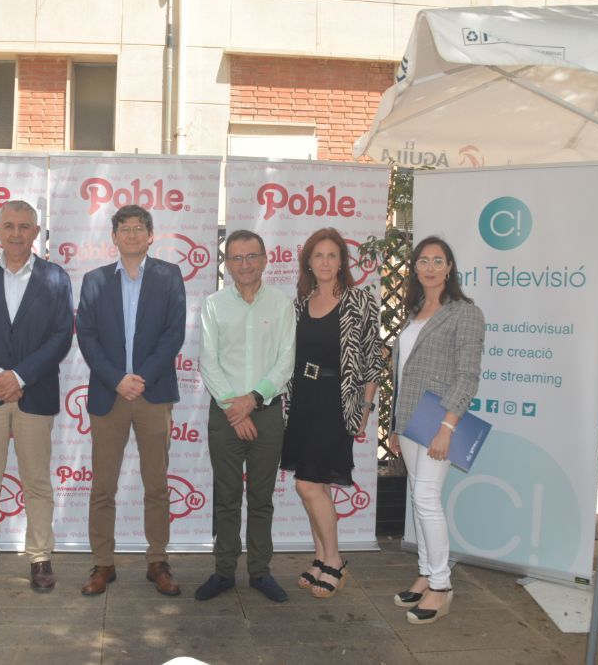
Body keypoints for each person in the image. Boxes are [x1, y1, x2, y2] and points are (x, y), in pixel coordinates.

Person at [0, 200, 73, 595]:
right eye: (9, 226)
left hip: (34, 393)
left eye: (25, 226)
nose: (17, 233)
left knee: (37, 479)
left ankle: (39, 556)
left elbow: (61, 335)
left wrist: (20, 376)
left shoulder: (55, 277)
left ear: (36, 232)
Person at [75, 204, 186, 597]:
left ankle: (157, 561)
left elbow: (174, 333)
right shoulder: (94, 281)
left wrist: (141, 379)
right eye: (125, 228)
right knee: (103, 486)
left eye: (140, 227)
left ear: (150, 235)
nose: (133, 234)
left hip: (153, 394)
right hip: (109, 394)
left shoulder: (170, 276)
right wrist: (117, 380)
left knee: (156, 484)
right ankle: (103, 563)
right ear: (114, 236)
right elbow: (86, 336)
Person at [281, 227, 382, 599]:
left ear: (342, 262)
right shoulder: (299, 304)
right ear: (308, 262)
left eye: (332, 255)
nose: (325, 262)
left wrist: (366, 407)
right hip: (303, 400)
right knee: (316, 486)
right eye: (318, 255)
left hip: (337, 402)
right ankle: (321, 558)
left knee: (307, 485)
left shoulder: (360, 300)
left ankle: (335, 561)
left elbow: (373, 360)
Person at [195, 230, 296, 603]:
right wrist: (234, 410)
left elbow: (286, 360)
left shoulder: (282, 305)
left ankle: (260, 572)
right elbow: (209, 361)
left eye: (251, 256)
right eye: (236, 258)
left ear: (265, 260)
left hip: (266, 413)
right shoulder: (214, 305)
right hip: (225, 415)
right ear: (227, 264)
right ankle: (223, 571)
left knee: (261, 497)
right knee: (226, 496)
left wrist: (252, 401)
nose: (245, 264)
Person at [389, 235, 484, 625]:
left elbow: (467, 377)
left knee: (427, 498)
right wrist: (395, 427)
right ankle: (427, 574)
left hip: (438, 421)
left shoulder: (465, 313)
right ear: (415, 268)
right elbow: (403, 373)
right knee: (418, 496)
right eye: (423, 261)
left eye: (438, 261)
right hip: (410, 421)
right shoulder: (414, 311)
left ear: (449, 267)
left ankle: (441, 586)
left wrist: (447, 427)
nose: (430, 268)